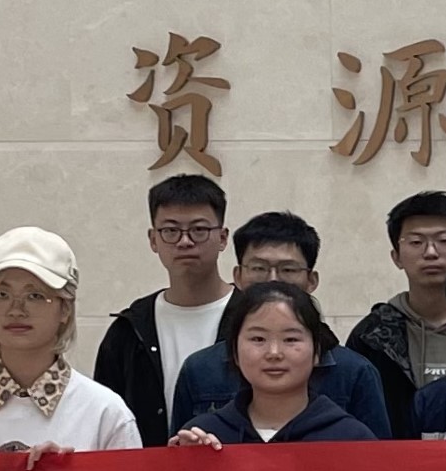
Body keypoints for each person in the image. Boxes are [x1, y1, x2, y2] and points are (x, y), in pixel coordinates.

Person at [0, 228, 144, 459]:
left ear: (65, 308)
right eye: (1, 295)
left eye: (35, 296)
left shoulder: (105, 413)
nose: (16, 310)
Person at [173, 213, 397, 436]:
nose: (272, 280)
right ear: (238, 276)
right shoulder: (199, 369)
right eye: (259, 268)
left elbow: (375, 453)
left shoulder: (355, 372)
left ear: (312, 280)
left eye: (288, 269)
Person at [88, 172, 231, 445]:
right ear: (153, 239)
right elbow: (103, 419)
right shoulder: (129, 331)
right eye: (171, 231)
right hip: (144, 469)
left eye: (199, 230)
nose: (185, 241)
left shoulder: (252, 320)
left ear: (223, 238)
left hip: (237, 467)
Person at [166, 284, 375, 446]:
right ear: (234, 352)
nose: (274, 353)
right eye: (258, 339)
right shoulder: (203, 435)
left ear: (317, 352)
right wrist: (185, 463)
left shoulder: (352, 437)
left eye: (291, 339)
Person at [346, 190, 446, 435]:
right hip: (395, 457)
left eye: (444, 240)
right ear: (396, 257)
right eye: (416, 242)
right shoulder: (372, 336)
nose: (431, 252)